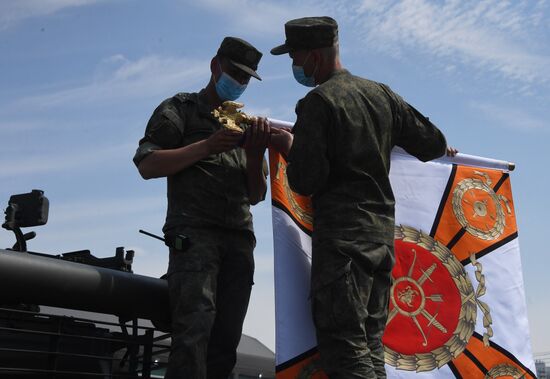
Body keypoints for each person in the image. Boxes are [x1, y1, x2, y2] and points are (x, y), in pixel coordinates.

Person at [269, 17, 452, 379]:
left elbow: (306, 180)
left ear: (316, 56)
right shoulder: (381, 95)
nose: (294, 65)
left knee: (346, 354)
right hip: (380, 246)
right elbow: (433, 143)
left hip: (343, 249)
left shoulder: (318, 102)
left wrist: (287, 145)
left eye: (296, 56)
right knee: (368, 349)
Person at [133, 37, 270, 379]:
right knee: (194, 332)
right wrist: (206, 146)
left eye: (245, 79)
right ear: (215, 66)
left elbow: (256, 195)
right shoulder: (181, 109)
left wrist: (254, 156)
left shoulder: (246, 125)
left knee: (225, 342)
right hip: (194, 235)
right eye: (234, 73)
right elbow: (148, 165)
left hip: (239, 240)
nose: (238, 83)